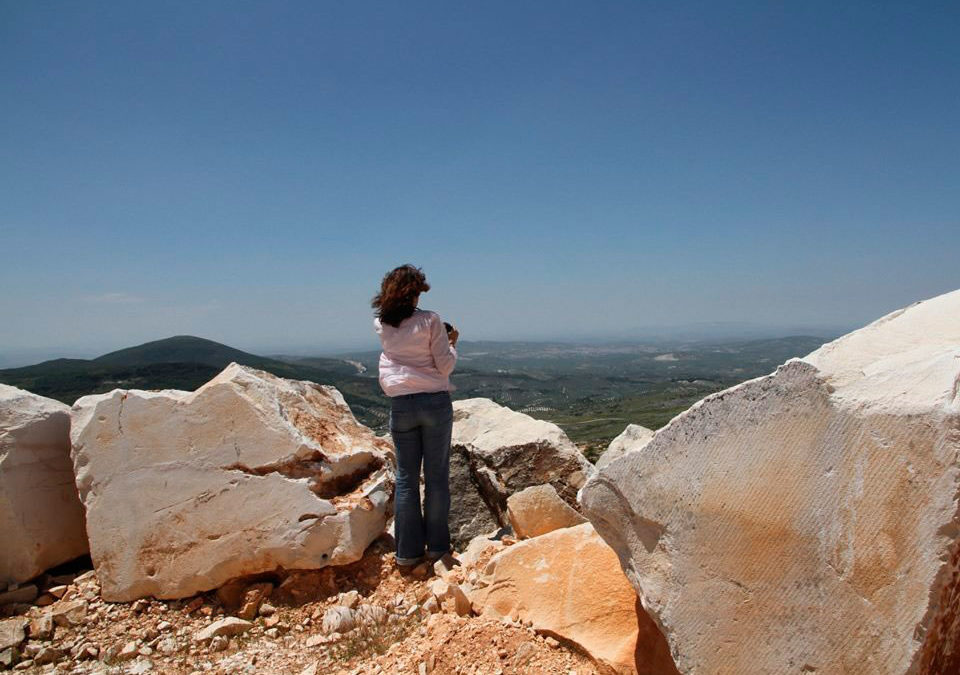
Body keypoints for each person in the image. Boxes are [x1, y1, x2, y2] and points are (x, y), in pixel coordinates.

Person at [372, 264, 459, 568]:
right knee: (436, 478)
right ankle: (437, 549)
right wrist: (451, 342)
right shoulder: (431, 321)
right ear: (415, 292)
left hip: (401, 406)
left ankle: (407, 553)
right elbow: (445, 365)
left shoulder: (382, 324)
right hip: (434, 403)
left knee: (406, 478)